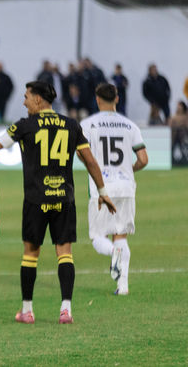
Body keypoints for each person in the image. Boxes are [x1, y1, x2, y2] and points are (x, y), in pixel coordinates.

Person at [0, 81, 116, 326]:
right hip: (64, 198)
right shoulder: (71, 125)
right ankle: (66, 310)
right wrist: (102, 191)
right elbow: (90, 161)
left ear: (38, 99)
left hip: (36, 199)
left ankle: (27, 311)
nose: (24, 102)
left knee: (30, 254)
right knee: (64, 253)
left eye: (26, 97)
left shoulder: (24, 126)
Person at [80, 83, 147, 295]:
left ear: (97, 99)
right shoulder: (130, 126)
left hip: (102, 187)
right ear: (117, 99)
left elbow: (81, 154)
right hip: (126, 187)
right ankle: (123, 286)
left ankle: (113, 253)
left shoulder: (88, 125)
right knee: (121, 236)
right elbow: (143, 159)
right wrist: (128, 170)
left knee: (98, 237)